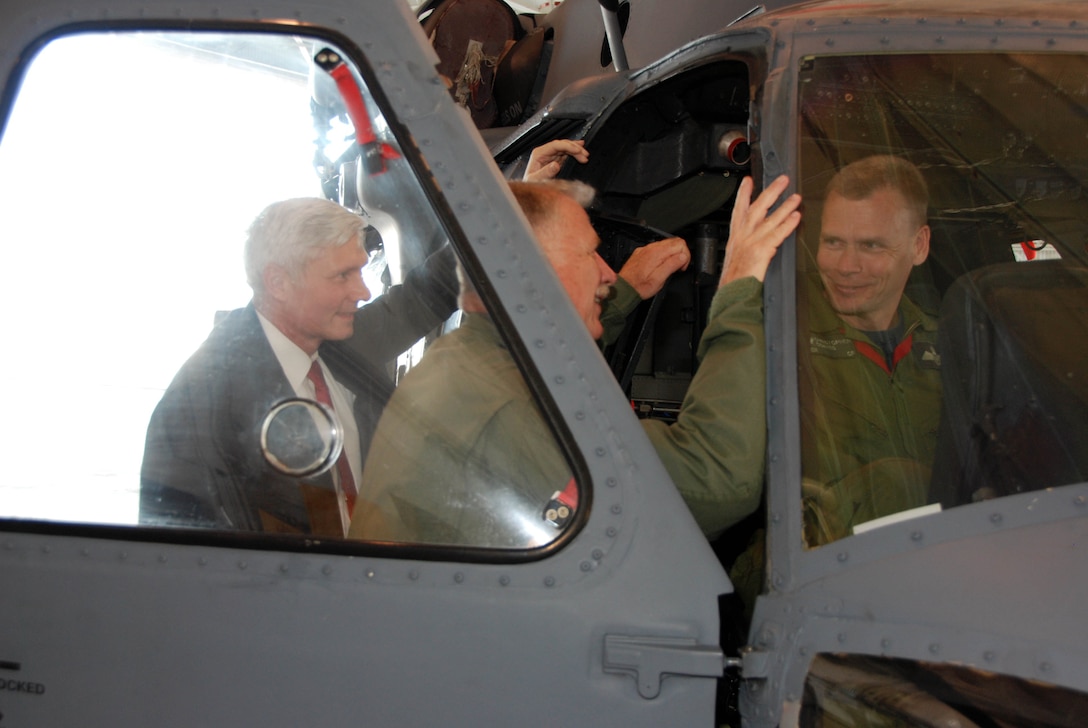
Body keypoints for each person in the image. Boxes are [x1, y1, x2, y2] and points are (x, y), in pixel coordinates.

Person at [350, 176, 801, 546]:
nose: (606, 271)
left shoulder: (474, 358)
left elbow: (551, 370)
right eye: (589, 254)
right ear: (526, 272)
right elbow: (719, 479)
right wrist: (738, 287)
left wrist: (620, 296)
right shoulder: (507, 413)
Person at [729, 155, 942, 616]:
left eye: (871, 246)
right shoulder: (776, 331)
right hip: (814, 584)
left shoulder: (955, 347)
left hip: (940, 576)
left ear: (919, 245)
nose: (846, 266)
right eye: (833, 242)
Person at [140, 198, 383, 536]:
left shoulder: (334, 346)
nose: (363, 291)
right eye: (342, 276)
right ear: (278, 283)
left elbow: (421, 295)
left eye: (360, 271)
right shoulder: (200, 408)